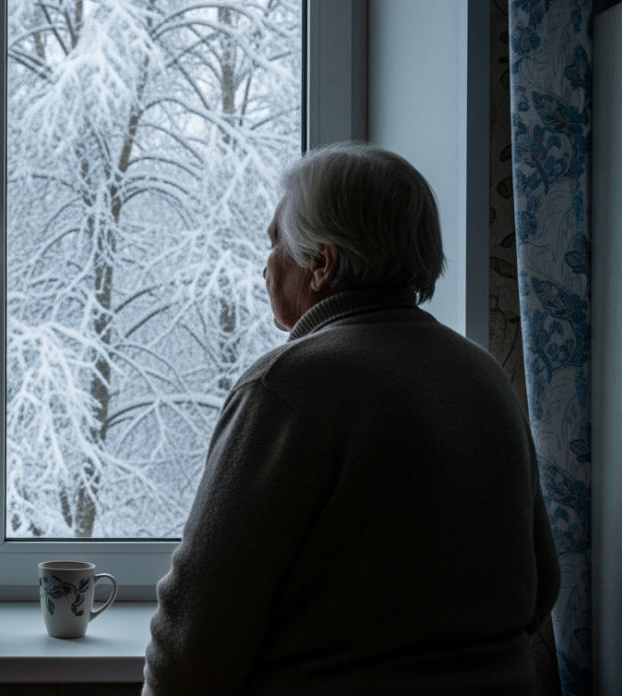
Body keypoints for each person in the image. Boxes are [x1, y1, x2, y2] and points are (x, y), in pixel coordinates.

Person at [143, 142, 560, 696]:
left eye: (275, 242)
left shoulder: (287, 387)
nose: (265, 264)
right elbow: (541, 590)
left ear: (323, 263)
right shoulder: (482, 376)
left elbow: (193, 646)